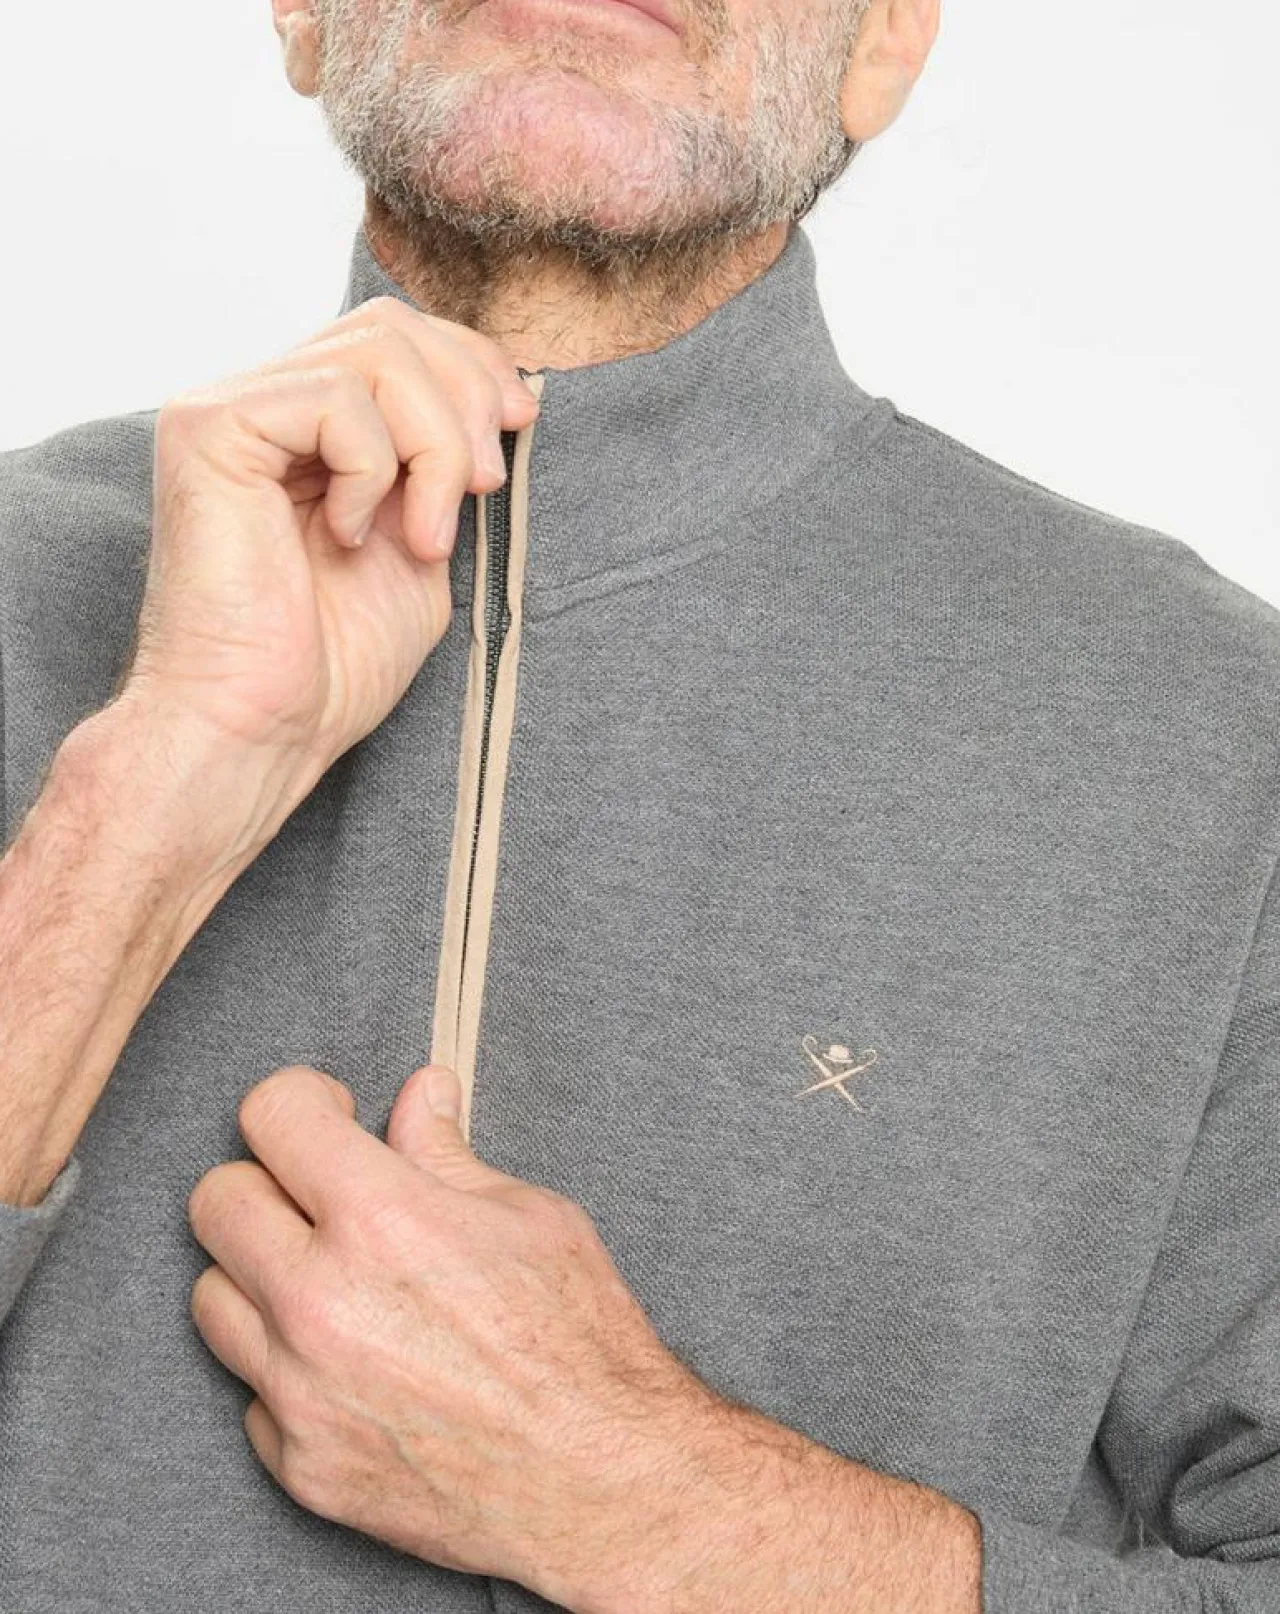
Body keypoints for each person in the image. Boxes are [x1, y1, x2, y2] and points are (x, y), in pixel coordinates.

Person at [1, 0, 1276, 1609]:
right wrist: (136, 797)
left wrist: (647, 1497)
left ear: (881, 47)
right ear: (305, 13)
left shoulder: (1224, 737)